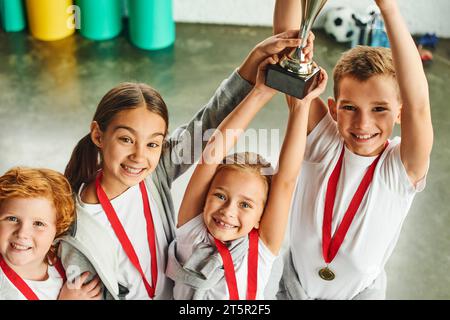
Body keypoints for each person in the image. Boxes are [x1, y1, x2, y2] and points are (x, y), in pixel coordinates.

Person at [59, 30, 314, 300]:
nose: (138, 156)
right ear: (99, 135)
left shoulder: (155, 172)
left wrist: (256, 59)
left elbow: (208, 124)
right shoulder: (75, 225)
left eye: (153, 144)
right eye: (125, 139)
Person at [274, 0, 433, 299]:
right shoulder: (322, 139)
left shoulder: (399, 168)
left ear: (400, 113)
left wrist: (389, 10)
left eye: (379, 109)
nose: (363, 123)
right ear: (333, 109)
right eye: (350, 107)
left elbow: (420, 104)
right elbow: (286, 56)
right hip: (292, 291)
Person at [165, 52, 328, 300]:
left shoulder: (261, 247)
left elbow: (285, 181)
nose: (228, 211)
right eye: (220, 195)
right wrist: (260, 92)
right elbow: (212, 152)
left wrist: (301, 106)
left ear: (260, 217)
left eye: (245, 205)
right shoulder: (193, 231)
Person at [0, 167, 101, 300]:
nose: (22, 233)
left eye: (38, 224)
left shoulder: (67, 260)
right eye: (12, 219)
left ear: (58, 228)